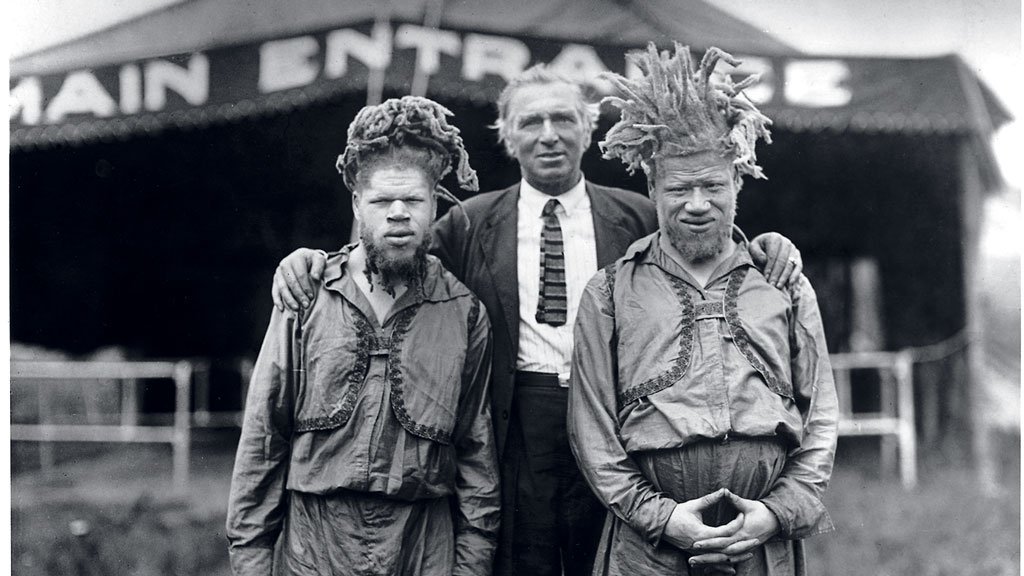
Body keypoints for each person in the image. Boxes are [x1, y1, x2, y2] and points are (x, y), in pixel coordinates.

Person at [271, 66, 804, 576]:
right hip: (517, 422)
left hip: (619, 422)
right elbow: (393, 253)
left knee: (613, 552)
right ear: (507, 136)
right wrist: (313, 261)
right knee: (525, 562)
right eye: (531, 122)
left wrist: (767, 245)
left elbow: (705, 243)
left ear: (589, 128)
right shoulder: (469, 222)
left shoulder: (636, 214)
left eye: (564, 119)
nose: (549, 135)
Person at [567, 44, 839, 576]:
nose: (696, 203)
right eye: (678, 188)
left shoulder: (783, 283)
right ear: (651, 186)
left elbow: (821, 419)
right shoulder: (608, 293)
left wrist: (775, 513)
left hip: (761, 547)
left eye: (713, 185)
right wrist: (661, 518)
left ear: (739, 181)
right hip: (648, 551)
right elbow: (590, 431)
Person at [226, 96, 500, 576]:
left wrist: (469, 567)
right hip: (314, 546)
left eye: (413, 200)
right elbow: (263, 436)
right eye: (380, 201)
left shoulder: (465, 313)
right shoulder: (306, 296)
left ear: (434, 203)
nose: (398, 214)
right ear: (357, 203)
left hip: (421, 548)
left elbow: (477, 457)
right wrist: (251, 559)